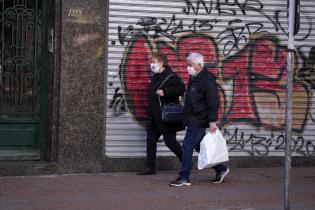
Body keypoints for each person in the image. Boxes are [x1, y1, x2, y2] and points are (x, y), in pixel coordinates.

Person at [169, 53, 229, 186]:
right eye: (187, 64)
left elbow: (213, 101)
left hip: (199, 119)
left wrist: (212, 121)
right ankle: (221, 169)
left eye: (190, 65)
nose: (188, 67)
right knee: (199, 146)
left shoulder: (207, 80)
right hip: (192, 117)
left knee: (186, 146)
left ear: (199, 65)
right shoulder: (195, 77)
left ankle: (184, 177)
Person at [137, 52, 185, 175]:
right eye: (151, 62)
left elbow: (181, 88)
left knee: (170, 142)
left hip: (166, 117)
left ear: (161, 63)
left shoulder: (171, 76)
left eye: (154, 62)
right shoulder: (155, 76)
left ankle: (186, 161)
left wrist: (166, 92)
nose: (151, 64)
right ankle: (150, 167)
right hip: (154, 117)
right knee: (151, 140)